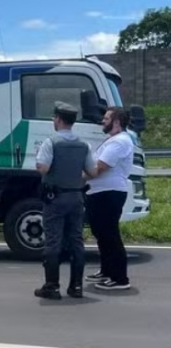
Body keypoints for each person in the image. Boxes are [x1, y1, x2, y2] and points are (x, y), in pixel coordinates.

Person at [34, 102, 98, 300]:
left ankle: (52, 287)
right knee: (76, 241)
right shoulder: (84, 145)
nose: (53, 121)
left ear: (59, 120)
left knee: (54, 241)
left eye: (54, 118)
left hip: (56, 198)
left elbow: (43, 168)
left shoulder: (51, 143)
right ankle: (76, 287)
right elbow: (93, 172)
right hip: (77, 197)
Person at [84, 107, 134, 291]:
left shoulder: (120, 142)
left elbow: (100, 167)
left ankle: (120, 278)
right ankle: (107, 271)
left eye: (106, 118)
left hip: (109, 193)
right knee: (101, 234)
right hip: (100, 193)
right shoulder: (113, 140)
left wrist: (75, 177)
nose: (102, 121)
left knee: (110, 235)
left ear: (117, 122)